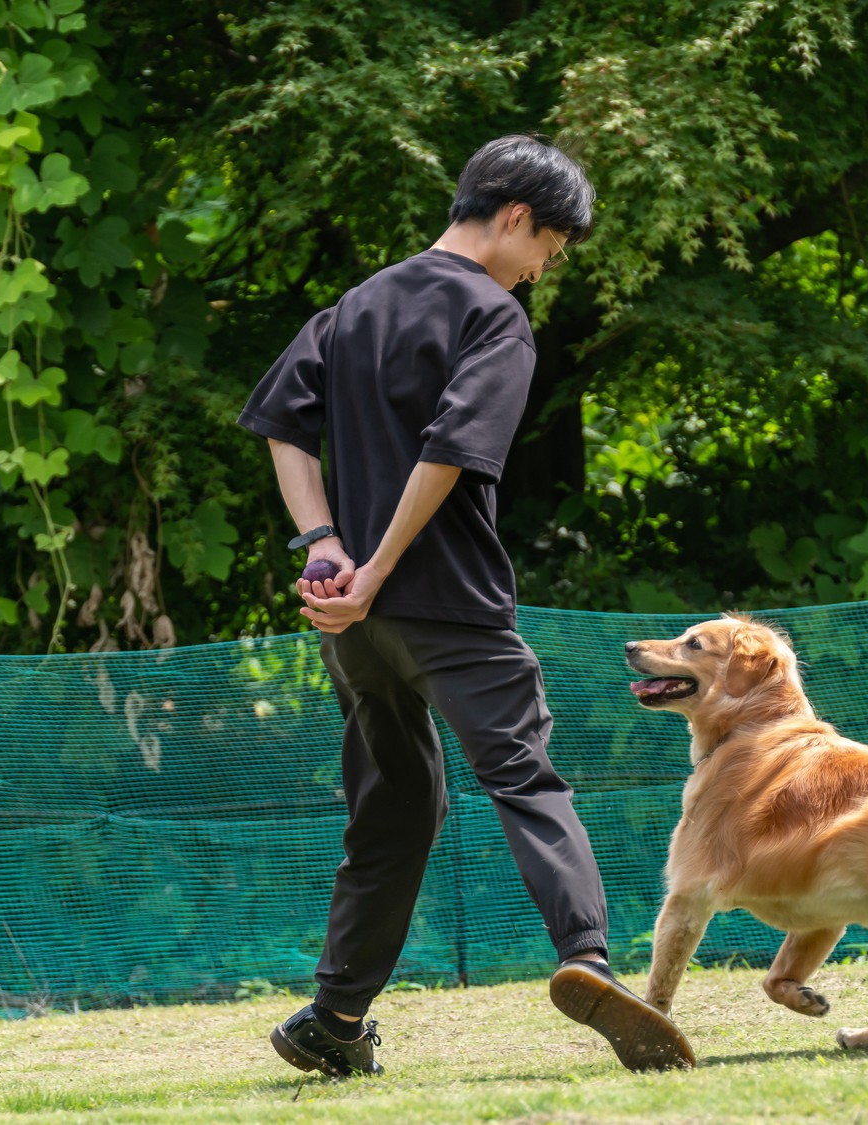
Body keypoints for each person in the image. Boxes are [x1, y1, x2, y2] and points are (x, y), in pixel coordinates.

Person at [238, 135, 696, 1078]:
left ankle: (334, 1017)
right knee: (525, 778)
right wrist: (377, 566)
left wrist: (328, 548)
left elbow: (282, 423)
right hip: (450, 606)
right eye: (550, 252)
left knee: (393, 808)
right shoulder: (494, 318)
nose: (542, 273)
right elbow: (450, 453)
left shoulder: (357, 303)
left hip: (357, 628)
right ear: (518, 217)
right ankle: (587, 957)